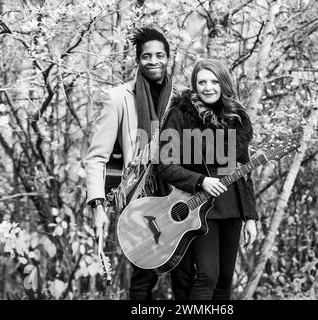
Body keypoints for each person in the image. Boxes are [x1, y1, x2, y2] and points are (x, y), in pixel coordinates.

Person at [85, 27, 193, 300]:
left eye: (159, 55)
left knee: (185, 277)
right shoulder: (119, 98)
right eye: (147, 56)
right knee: (142, 279)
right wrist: (97, 205)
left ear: (169, 58)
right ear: (138, 60)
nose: (154, 61)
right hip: (139, 199)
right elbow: (97, 157)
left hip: (179, 195)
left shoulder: (183, 98)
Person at [157, 59, 259, 300]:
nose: (208, 87)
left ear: (224, 84)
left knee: (224, 282)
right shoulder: (180, 115)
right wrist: (201, 180)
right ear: (194, 85)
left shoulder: (237, 119)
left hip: (232, 209)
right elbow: (165, 165)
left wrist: (251, 217)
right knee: (207, 277)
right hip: (198, 209)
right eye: (202, 82)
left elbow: (244, 172)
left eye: (214, 81)